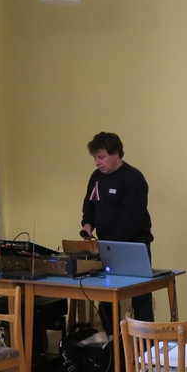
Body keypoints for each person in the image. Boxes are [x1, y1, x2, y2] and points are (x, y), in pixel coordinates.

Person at [79, 131, 155, 323]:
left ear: (116, 154)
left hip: (134, 247)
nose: (97, 162)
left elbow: (132, 217)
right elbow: (90, 204)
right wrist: (87, 224)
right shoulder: (96, 177)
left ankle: (146, 341)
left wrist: (110, 244)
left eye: (101, 157)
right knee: (107, 296)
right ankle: (112, 338)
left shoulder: (133, 178)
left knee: (141, 297)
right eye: (95, 158)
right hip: (108, 246)